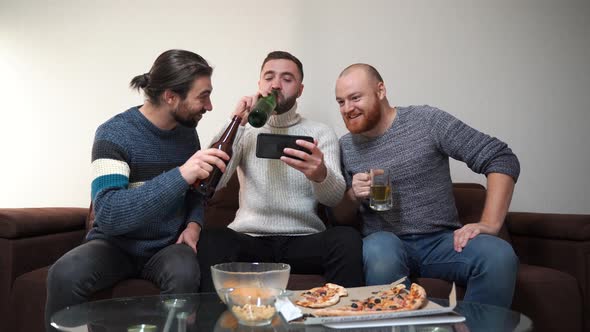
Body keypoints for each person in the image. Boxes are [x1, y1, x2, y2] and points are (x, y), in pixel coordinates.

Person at [45, 49, 230, 331]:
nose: (209, 106)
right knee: (65, 273)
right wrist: (180, 174)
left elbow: (194, 193)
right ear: (171, 96)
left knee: (185, 270)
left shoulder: (186, 133)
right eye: (203, 96)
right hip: (114, 244)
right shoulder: (114, 134)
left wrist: (193, 224)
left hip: (166, 247)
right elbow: (109, 214)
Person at [333, 63, 520, 308]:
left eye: (355, 98)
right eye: (340, 102)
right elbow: (339, 218)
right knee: (380, 251)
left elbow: (500, 157)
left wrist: (490, 223)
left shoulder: (427, 121)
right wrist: (352, 196)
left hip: (442, 242)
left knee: (499, 255)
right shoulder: (344, 146)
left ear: (380, 91)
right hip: (384, 243)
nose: (347, 108)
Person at [197, 51, 364, 290]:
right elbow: (214, 181)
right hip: (251, 239)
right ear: (260, 84)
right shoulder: (246, 130)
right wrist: (235, 122)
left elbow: (335, 197)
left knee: (346, 239)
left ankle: (343, 318)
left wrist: (320, 174)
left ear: (300, 89)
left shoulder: (320, 132)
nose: (276, 84)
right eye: (269, 77)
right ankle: (211, 322)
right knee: (212, 240)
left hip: (304, 239)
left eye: (287, 79)